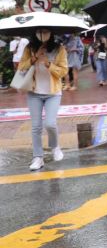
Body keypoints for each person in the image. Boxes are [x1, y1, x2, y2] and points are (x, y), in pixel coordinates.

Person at [17, 29, 68, 171]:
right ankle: (38, 157)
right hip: (34, 92)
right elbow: (21, 67)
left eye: (46, 31)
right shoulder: (29, 48)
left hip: (53, 92)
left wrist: (48, 64)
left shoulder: (59, 49)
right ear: (34, 33)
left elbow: (63, 71)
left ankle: (55, 146)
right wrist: (34, 58)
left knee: (50, 124)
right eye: (40, 32)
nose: (43, 34)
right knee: (36, 127)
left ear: (51, 33)